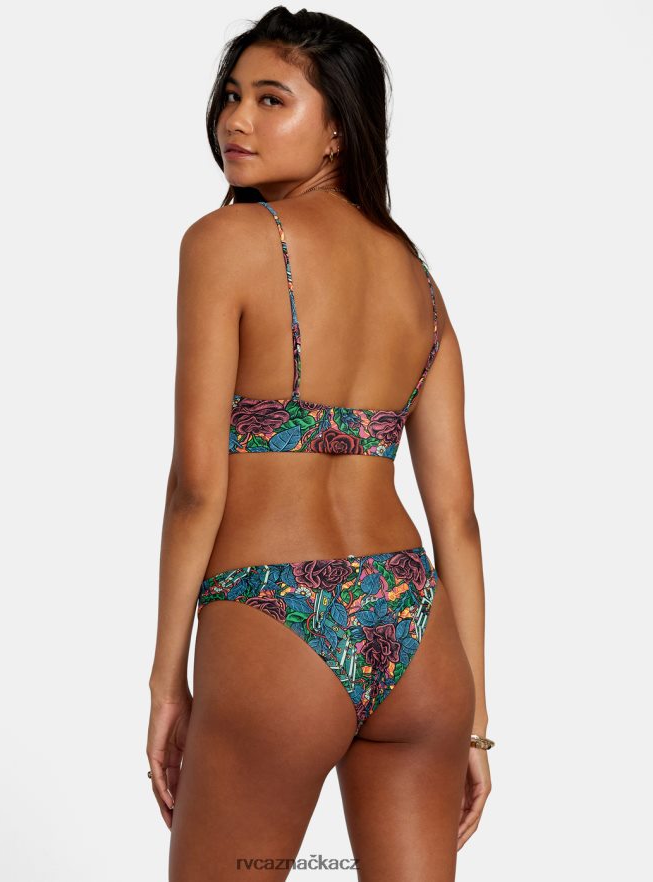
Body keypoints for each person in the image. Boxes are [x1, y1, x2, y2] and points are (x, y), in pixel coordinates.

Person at [147, 7, 493, 880]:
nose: (236, 120)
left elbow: (197, 487)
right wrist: (476, 719)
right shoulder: (418, 279)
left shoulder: (225, 242)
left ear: (338, 127)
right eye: (232, 96)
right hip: (416, 631)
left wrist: (166, 681)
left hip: (275, 621)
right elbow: (457, 518)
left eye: (272, 100)